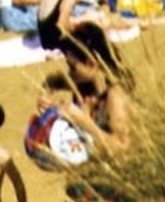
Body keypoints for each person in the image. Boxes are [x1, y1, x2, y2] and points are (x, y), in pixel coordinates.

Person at [57, 25, 135, 159]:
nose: (70, 73)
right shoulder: (86, 92)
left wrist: (85, 123)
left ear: (91, 63)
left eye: (72, 67)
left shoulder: (116, 96)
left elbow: (123, 148)